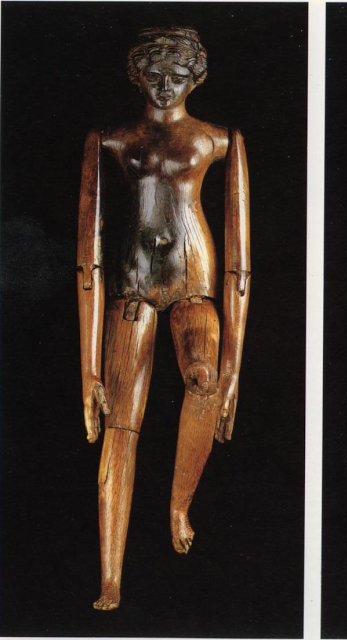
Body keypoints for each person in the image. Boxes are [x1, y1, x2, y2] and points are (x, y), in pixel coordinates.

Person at [77, 27, 250, 610]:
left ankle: (179, 505)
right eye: (153, 73)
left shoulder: (219, 140)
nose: (165, 84)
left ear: (196, 77)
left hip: (194, 283)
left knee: (203, 378)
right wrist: (88, 368)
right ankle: (110, 576)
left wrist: (233, 368)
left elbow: (240, 264)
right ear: (136, 76)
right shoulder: (110, 139)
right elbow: (88, 259)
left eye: (177, 74)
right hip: (131, 286)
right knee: (120, 424)